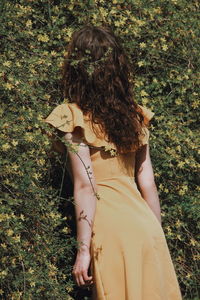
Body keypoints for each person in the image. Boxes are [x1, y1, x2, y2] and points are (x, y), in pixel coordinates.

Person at [45, 25, 182, 299]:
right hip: (145, 225)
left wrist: (82, 251)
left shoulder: (73, 116)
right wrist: (156, 236)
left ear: (77, 67)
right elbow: (147, 183)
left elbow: (86, 187)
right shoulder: (134, 116)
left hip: (110, 229)